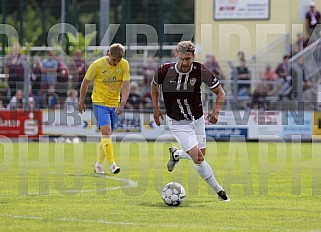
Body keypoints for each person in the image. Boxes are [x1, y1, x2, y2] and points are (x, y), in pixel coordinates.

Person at [151, 41, 230, 202]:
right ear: (176, 56)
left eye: (188, 59)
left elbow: (220, 92)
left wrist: (216, 112)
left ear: (193, 57)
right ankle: (220, 192)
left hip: (198, 119)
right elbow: (154, 86)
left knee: (201, 155)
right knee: (199, 160)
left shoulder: (200, 70)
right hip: (178, 122)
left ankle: (177, 154)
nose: (185, 62)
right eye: (182, 59)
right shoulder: (164, 71)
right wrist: (155, 108)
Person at [79, 43, 130, 174]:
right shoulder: (97, 65)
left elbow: (125, 85)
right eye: (114, 60)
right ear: (109, 54)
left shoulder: (124, 65)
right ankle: (112, 164)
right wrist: (81, 101)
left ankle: (98, 165)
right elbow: (85, 82)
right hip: (99, 102)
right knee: (106, 132)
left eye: (118, 60)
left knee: (107, 136)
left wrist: (122, 103)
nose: (116, 63)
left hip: (114, 103)